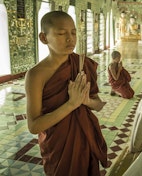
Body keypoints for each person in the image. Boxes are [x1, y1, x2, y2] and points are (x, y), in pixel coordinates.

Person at [25, 11, 108, 176]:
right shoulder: (36, 75)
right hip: (58, 145)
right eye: (61, 33)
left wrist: (86, 101)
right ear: (43, 38)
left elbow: (98, 105)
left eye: (74, 32)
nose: (70, 39)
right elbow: (34, 126)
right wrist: (71, 105)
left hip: (85, 140)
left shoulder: (83, 64)